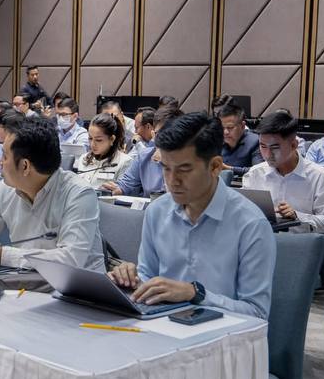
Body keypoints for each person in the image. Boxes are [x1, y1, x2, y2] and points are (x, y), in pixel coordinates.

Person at [108, 112, 274, 319]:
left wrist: (196, 294)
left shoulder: (250, 224)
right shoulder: (157, 211)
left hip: (222, 333)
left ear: (215, 167)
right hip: (162, 326)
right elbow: (147, 278)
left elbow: (257, 312)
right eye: (166, 168)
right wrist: (130, 280)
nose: (172, 180)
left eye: (184, 170)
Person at [0, 117, 104, 271]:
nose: (0, 163)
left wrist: (1, 254)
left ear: (25, 166)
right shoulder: (6, 188)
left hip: (78, 284)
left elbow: (70, 261)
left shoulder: (79, 194)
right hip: (23, 278)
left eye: (5, 156)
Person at [242, 110, 324, 233]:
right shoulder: (254, 174)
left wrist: (297, 216)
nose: (268, 154)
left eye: (275, 147)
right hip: (263, 239)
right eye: (263, 146)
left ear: (294, 145)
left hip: (300, 242)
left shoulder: (319, 176)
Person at [103, 104, 178, 197]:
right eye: (160, 133)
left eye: (170, 133)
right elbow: (127, 184)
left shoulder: (189, 158)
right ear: (154, 134)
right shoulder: (144, 156)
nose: (166, 138)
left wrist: (167, 161)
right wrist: (115, 189)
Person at [73, 113, 133, 189]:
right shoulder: (83, 158)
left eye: (98, 140)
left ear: (112, 139)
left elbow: (123, 193)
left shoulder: (125, 162)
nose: (92, 144)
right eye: (90, 138)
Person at [215, 96, 261, 175]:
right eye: (222, 128)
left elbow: (259, 171)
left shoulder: (255, 142)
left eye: (230, 127)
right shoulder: (217, 140)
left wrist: (229, 169)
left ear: (242, 126)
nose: (225, 132)